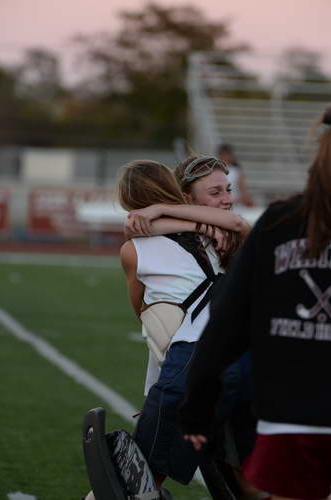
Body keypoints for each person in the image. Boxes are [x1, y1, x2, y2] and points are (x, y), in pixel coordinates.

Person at [180, 107, 331, 500]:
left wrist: (196, 404)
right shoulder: (280, 221)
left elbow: (226, 322)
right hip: (292, 419)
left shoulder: (280, 222)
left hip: (290, 418)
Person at [119, 157, 252, 493]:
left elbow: (148, 316)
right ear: (186, 199)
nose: (226, 197)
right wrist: (188, 223)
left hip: (210, 364)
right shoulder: (219, 234)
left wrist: (160, 214)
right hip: (230, 360)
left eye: (228, 189)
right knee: (238, 472)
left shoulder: (223, 233)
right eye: (216, 191)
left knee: (148, 468)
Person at [217, 143, 255, 208]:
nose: (225, 157)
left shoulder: (236, 171)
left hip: (235, 204)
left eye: (227, 155)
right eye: (223, 155)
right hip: (220, 203)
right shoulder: (216, 170)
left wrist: (247, 199)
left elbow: (243, 189)